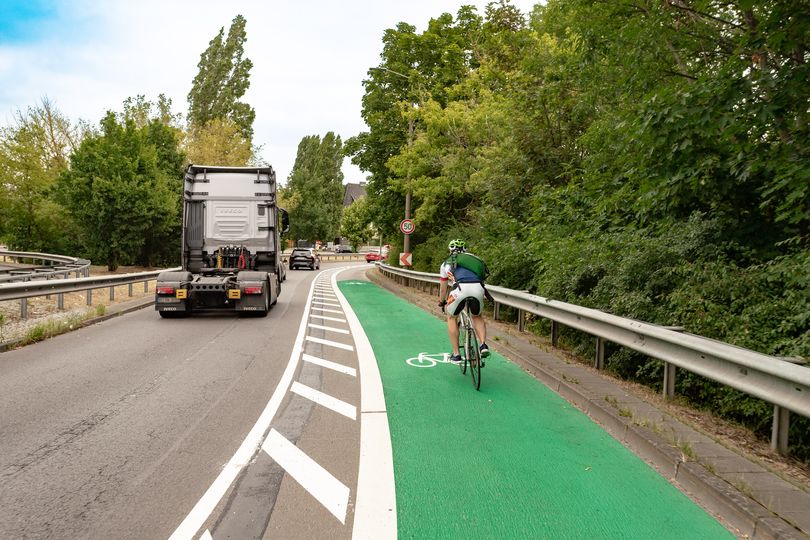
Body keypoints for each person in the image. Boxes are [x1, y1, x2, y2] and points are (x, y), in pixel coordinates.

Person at [437, 239, 490, 364]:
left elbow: (443, 287)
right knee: (477, 316)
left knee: (451, 317)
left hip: (459, 290)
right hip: (478, 288)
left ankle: (456, 354)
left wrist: (441, 301)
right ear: (465, 249)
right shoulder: (475, 259)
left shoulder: (446, 263)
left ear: (450, 250)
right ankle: (483, 345)